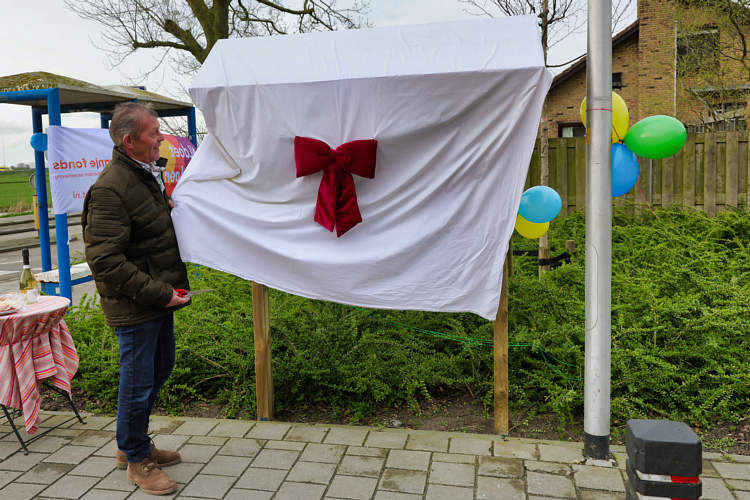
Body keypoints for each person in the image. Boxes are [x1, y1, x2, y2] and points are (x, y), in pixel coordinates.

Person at [82, 102, 190, 496]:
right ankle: (136, 460)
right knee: (138, 382)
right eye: (153, 133)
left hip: (155, 300)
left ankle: (133, 444)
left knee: (159, 369)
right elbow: (106, 261)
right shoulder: (111, 189)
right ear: (130, 141)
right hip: (137, 304)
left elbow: (149, 235)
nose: (161, 138)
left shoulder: (144, 175)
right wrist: (161, 294)